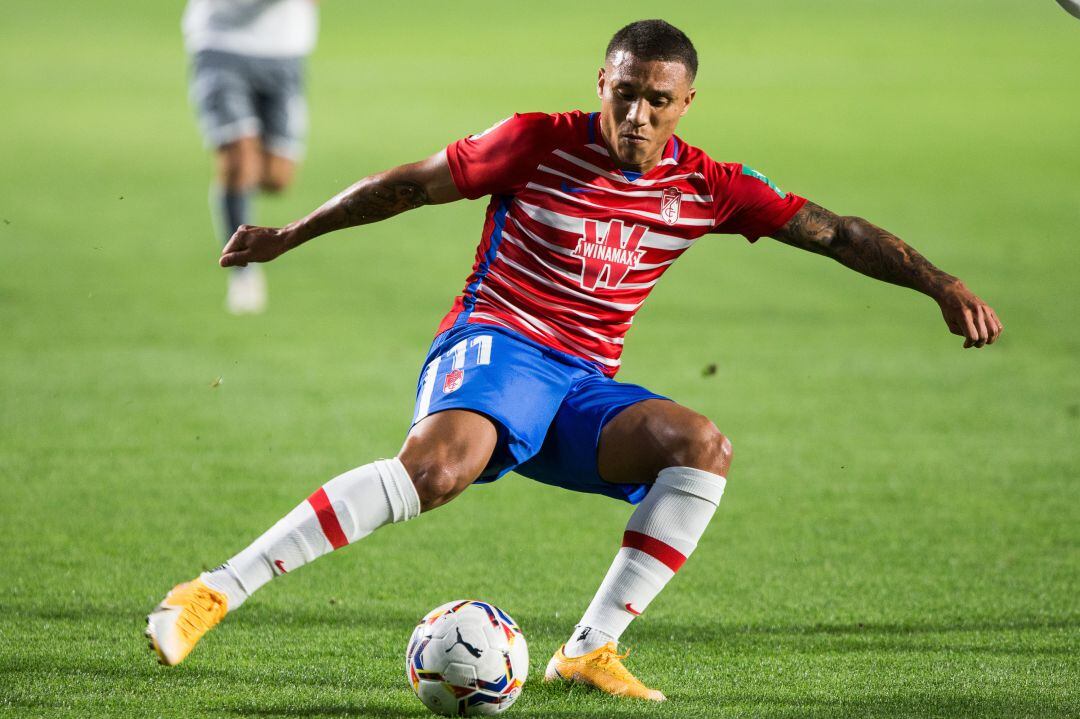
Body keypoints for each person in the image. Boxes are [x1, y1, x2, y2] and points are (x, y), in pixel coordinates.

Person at [148, 19, 1003, 701]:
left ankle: (590, 649)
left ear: (686, 102)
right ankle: (214, 589)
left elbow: (837, 231)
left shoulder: (706, 185)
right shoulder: (535, 140)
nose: (637, 117)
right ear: (603, 83)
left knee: (700, 446)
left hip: (580, 383)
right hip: (498, 341)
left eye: (657, 102)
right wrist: (288, 235)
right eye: (625, 94)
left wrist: (940, 282)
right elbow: (406, 184)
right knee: (439, 471)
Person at [182, 0, 318, 314]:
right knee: (240, 161)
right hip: (222, 43)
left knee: (276, 179)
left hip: (286, 50)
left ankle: (231, 188)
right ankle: (242, 272)